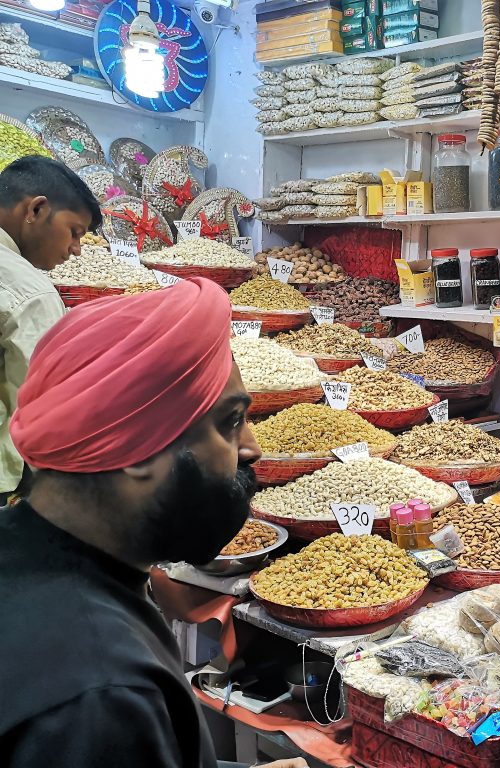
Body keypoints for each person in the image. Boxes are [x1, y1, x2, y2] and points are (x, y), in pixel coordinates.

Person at [0, 278, 306, 768]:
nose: (252, 447)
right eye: (230, 421)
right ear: (139, 448)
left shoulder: (25, 548)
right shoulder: (101, 695)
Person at [0, 156, 100, 503]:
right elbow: (41, 410)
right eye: (74, 232)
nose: (75, 250)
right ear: (37, 209)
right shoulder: (31, 293)